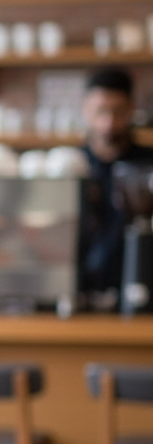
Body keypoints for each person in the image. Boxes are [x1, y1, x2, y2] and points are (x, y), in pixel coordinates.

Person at [78, 67, 153, 305]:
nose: (108, 123)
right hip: (81, 292)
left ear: (131, 108)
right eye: (100, 111)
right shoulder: (71, 166)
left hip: (143, 288)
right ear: (86, 110)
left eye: (118, 112)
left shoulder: (149, 164)